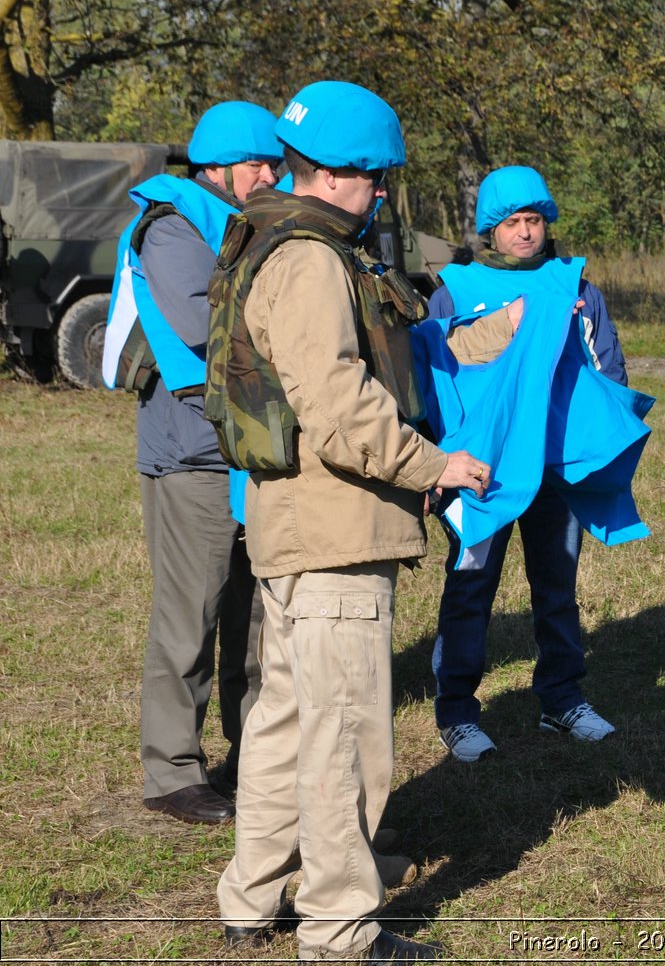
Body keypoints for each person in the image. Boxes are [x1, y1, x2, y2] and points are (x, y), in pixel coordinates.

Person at [212, 80, 516, 962]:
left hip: (290, 523)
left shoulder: (271, 238)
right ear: (338, 173)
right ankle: (340, 923)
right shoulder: (311, 260)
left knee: (284, 715)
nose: (382, 193)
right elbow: (341, 407)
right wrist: (436, 465)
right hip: (334, 526)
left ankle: (254, 890)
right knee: (343, 728)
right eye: (375, 177)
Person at [101, 101, 281, 825]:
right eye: (258, 164)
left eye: (276, 163)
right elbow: (208, 328)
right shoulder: (173, 227)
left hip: (244, 450)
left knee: (255, 615)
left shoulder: (242, 222)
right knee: (190, 615)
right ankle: (171, 771)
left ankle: (254, 758)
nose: (271, 175)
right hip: (191, 455)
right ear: (216, 167)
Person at [427, 166, 627, 760]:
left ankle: (562, 701)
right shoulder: (456, 288)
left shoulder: (577, 287)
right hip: (479, 473)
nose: (524, 233)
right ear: (492, 229)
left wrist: (598, 449)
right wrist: (437, 462)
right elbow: (435, 378)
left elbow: (607, 369)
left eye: (533, 221)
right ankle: (458, 712)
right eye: (512, 223)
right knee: (470, 587)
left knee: (557, 587)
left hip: (555, 467)